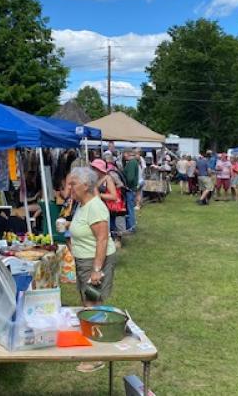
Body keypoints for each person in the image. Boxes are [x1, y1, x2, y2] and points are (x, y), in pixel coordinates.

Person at [66, 166, 117, 373]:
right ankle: (91, 349)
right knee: (88, 304)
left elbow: (102, 239)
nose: (69, 188)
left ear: (86, 186)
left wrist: (97, 269)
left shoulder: (95, 206)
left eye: (73, 184)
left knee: (92, 306)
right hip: (84, 261)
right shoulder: (82, 204)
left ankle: (95, 356)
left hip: (94, 262)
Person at [122, 150, 139, 233]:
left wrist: (126, 184)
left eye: (124, 154)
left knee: (130, 208)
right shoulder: (133, 162)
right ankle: (130, 226)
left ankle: (131, 227)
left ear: (127, 154)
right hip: (132, 189)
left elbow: (130, 178)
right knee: (130, 208)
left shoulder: (132, 163)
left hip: (130, 189)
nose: (123, 156)